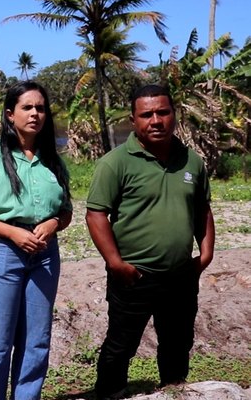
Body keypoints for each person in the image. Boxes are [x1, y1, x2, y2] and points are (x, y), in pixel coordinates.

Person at [86, 84, 215, 399]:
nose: (156, 120)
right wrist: (116, 264)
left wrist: (206, 254)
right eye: (147, 115)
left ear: (174, 115)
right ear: (133, 120)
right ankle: (109, 393)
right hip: (134, 275)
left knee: (178, 340)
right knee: (121, 344)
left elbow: (202, 208)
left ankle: (172, 390)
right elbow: (96, 215)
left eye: (163, 112)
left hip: (181, 274)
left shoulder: (192, 162)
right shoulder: (115, 162)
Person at [0, 81, 72, 399]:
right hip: (2, 251)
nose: (35, 113)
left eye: (40, 108)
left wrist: (53, 223)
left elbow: (65, 211)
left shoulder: (53, 160)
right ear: (10, 114)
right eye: (27, 107)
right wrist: (12, 232)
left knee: (36, 340)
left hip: (45, 254)